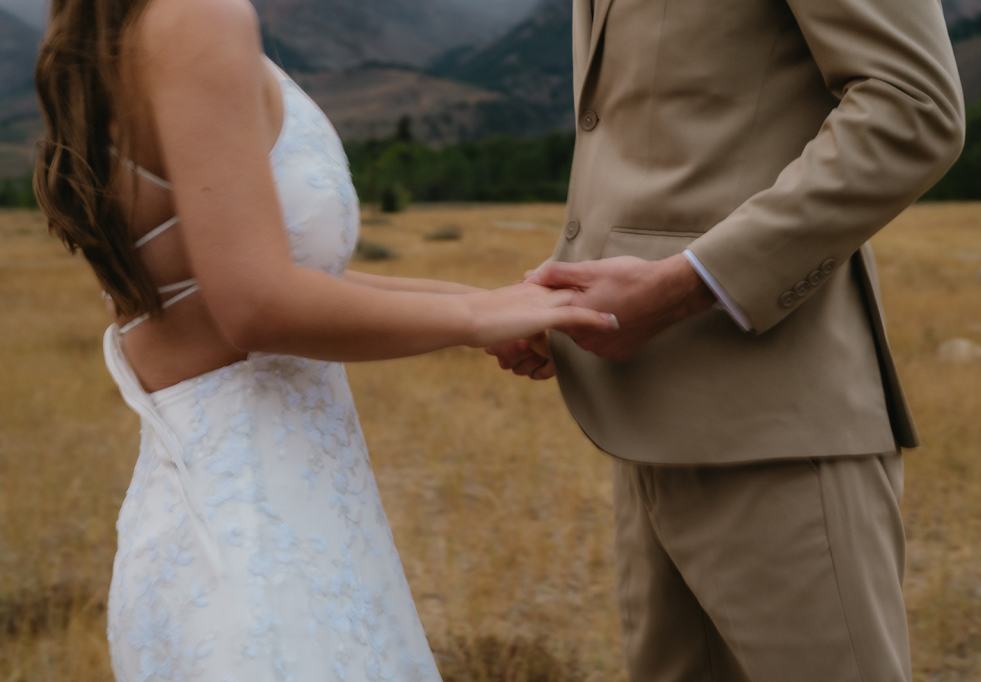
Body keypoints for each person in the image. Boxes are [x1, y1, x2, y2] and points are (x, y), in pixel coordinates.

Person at [32, 0, 618, 678]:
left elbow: (280, 276)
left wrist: (490, 305)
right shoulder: (194, 16)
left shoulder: (139, 22)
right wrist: (475, 319)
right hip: (255, 526)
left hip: (265, 504)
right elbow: (255, 307)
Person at [490, 0, 966, 679]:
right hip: (641, 415)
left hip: (781, 425)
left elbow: (913, 109)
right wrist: (573, 302)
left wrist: (684, 286)